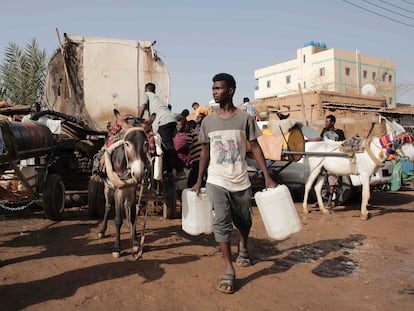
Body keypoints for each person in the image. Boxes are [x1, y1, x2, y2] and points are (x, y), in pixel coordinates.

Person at [192, 73, 276, 294]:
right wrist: (199, 180)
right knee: (221, 220)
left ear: (230, 91)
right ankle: (229, 269)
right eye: (213, 88)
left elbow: (255, 147)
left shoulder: (244, 119)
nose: (214, 92)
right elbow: (204, 152)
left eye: (218, 88)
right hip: (216, 179)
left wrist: (267, 175)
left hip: (240, 179)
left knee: (245, 221)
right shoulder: (208, 121)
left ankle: (244, 245)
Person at [138, 82, 185, 178]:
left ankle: (180, 169)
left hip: (164, 121)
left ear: (146, 89)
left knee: (168, 146)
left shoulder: (147, 95)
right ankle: (169, 170)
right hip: (171, 119)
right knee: (164, 147)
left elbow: (142, 107)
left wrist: (138, 120)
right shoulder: (156, 99)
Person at [320, 114, 346, 208]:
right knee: (323, 181)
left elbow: (343, 144)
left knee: (333, 181)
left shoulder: (339, 132)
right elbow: (320, 140)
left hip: (335, 159)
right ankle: (322, 200)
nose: (325, 123)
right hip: (324, 159)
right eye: (325, 121)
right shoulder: (324, 131)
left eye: (327, 121)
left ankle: (331, 201)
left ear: (333, 123)